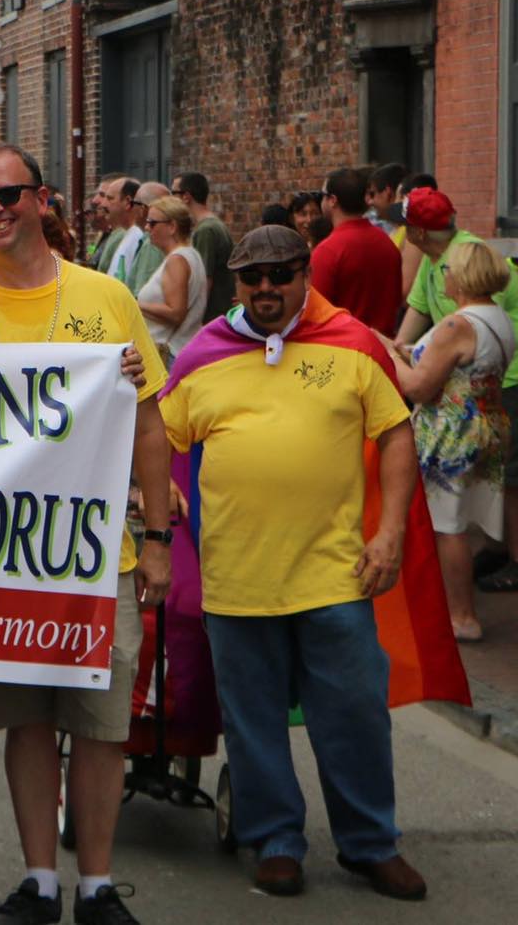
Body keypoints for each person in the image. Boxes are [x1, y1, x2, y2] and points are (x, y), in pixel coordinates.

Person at [159, 224, 426, 903]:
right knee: (251, 722)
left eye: (281, 274)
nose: (267, 289)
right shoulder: (202, 353)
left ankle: (370, 844)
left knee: (355, 715)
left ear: (306, 274)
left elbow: (395, 433)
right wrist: (155, 486)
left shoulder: (354, 343)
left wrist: (389, 532)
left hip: (335, 574)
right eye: (253, 277)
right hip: (236, 577)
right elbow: (158, 435)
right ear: (235, 283)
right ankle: (275, 839)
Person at [0, 142, 171, 925]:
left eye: (7, 194)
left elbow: (150, 422)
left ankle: (98, 884)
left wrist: (157, 538)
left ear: (41, 198)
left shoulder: (107, 296)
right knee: (26, 720)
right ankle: (40, 878)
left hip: (97, 554)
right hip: (3, 558)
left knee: (99, 727)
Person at [381, 239, 514, 642]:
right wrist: (404, 351)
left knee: (448, 525)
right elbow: (460, 369)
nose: (445, 275)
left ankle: (462, 616)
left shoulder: (458, 324)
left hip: (450, 432)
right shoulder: (497, 316)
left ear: (463, 275)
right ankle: (454, 608)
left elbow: (420, 389)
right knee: (458, 519)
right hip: (486, 423)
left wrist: (386, 356)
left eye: (449, 269)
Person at [311, 168, 403, 334]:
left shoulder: (327, 251)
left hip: (343, 348)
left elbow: (315, 314)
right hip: (384, 347)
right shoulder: (387, 244)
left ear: (332, 200)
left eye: (322, 195)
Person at [135, 195, 208, 363]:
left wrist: (135, 303)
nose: (147, 228)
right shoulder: (189, 255)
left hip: (170, 354)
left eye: (152, 223)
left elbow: (175, 313)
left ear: (172, 226)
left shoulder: (177, 260)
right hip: (178, 350)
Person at [172, 172, 235, 322]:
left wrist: (192, 320)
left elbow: (203, 280)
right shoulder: (213, 226)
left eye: (173, 193)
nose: (170, 199)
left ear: (186, 196)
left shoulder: (206, 230)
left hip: (211, 319)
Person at [121, 182, 170, 295]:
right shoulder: (165, 240)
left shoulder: (152, 244)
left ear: (142, 209)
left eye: (133, 203)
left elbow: (143, 293)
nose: (131, 208)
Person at [96, 179, 142, 283]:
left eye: (110, 198)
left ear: (127, 201)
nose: (103, 204)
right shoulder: (128, 234)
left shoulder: (139, 237)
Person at [366, 162, 408, 237]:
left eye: (372, 194)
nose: (369, 202)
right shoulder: (404, 232)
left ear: (388, 193)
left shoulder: (409, 236)